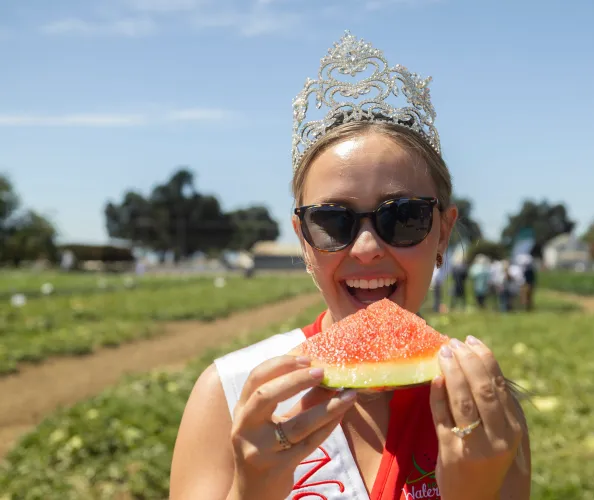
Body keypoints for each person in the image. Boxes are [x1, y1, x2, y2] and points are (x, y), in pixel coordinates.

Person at [169, 31, 531, 500]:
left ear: (443, 231)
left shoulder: (487, 412)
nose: (365, 247)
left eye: (401, 217)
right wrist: (249, 490)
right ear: (303, 239)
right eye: (332, 221)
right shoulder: (227, 395)